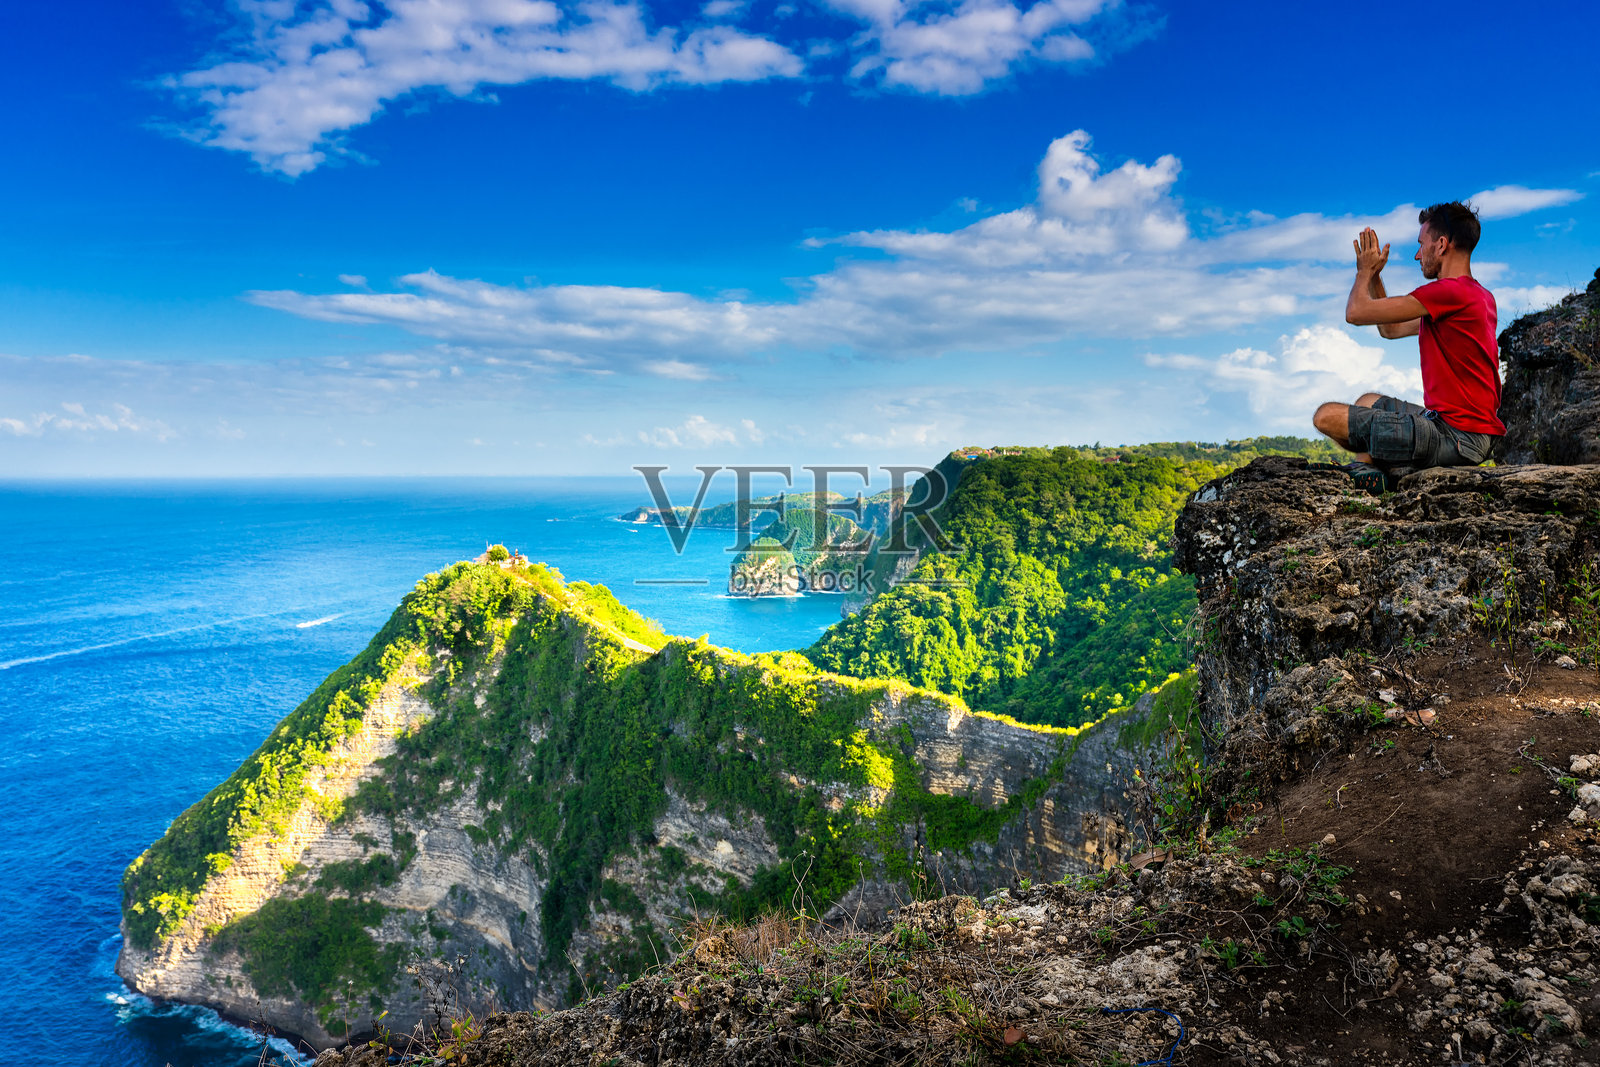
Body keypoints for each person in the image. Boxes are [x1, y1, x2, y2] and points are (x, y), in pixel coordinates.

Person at [1310, 201, 1503, 491]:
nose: (1417, 255)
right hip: (1459, 430)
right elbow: (1391, 330)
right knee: (1367, 401)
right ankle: (1377, 468)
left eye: (1421, 244)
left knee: (1325, 416)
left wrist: (1363, 271)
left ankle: (1374, 473)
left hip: (1455, 437)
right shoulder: (1477, 296)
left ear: (1441, 245)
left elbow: (1355, 313)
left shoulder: (1448, 292)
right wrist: (1376, 277)